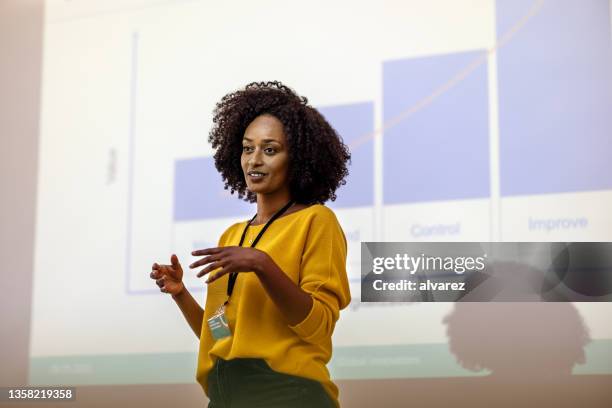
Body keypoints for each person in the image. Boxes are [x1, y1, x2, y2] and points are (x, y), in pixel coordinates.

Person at [150, 81, 352, 407]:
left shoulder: (317, 221)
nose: (254, 160)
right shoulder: (232, 236)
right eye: (247, 148)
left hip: (287, 392)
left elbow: (317, 327)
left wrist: (262, 264)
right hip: (227, 392)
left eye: (270, 150)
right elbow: (222, 334)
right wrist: (181, 294)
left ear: (298, 159)